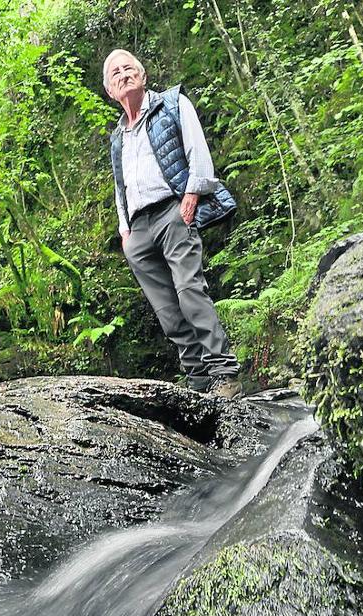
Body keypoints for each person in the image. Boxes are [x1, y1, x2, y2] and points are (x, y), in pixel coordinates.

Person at [104, 48, 241, 397]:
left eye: (128, 68)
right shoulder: (117, 137)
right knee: (166, 310)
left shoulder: (172, 104)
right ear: (110, 90)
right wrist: (124, 229)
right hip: (137, 229)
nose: (123, 74)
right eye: (115, 73)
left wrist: (192, 195)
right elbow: (121, 184)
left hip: (173, 211)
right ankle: (197, 379)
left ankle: (224, 371)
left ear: (143, 74)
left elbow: (198, 151)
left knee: (189, 290)